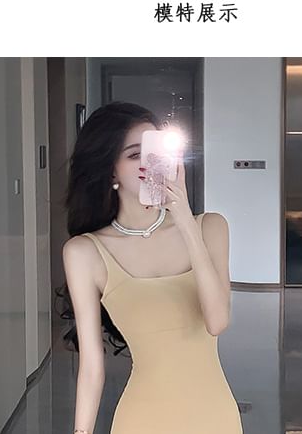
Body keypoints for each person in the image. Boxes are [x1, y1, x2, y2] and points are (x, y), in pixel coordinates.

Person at [59, 101, 243, 434]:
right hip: (141, 419)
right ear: (111, 170)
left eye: (156, 153)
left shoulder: (211, 228)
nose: (149, 164)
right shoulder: (84, 252)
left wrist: (184, 218)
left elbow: (217, 321)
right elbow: (91, 367)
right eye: (134, 155)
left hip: (215, 417)